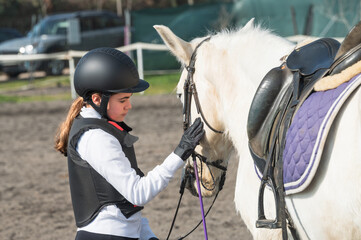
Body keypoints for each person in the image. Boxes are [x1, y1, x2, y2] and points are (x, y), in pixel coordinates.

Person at [54, 47, 205, 240]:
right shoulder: (96, 138)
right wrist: (179, 153)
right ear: (97, 99)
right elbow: (137, 193)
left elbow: (123, 207)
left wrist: (147, 236)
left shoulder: (102, 129)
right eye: (123, 100)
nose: (129, 105)